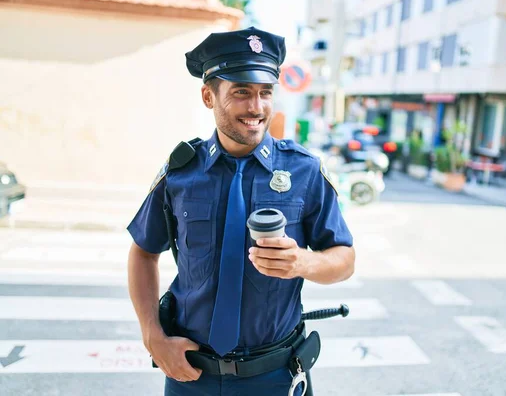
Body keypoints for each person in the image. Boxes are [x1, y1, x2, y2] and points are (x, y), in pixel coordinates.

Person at [126, 27, 356, 396]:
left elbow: (344, 258)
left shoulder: (304, 170)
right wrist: (153, 337)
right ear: (208, 96)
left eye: (266, 92)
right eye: (241, 93)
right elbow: (143, 251)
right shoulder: (181, 173)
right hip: (190, 374)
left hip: (276, 376)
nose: (257, 107)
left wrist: (302, 263)